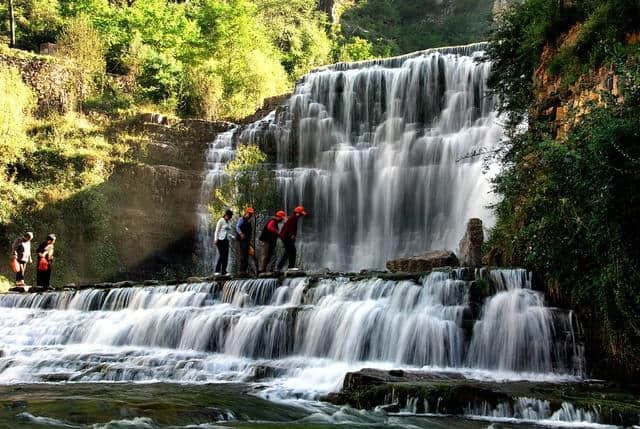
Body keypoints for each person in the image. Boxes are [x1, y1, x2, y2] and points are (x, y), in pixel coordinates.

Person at [277, 206, 309, 271]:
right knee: (292, 251)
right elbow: (290, 228)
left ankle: (279, 267)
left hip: (285, 237)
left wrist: (293, 235)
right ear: (297, 213)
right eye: (301, 214)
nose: (301, 216)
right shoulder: (293, 218)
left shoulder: (294, 218)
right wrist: (292, 235)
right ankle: (290, 267)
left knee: (287, 252)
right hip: (286, 237)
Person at [214, 209, 234, 275]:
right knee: (222, 255)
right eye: (229, 216)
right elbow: (217, 230)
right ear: (225, 215)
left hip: (226, 240)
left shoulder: (229, 222)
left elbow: (228, 232)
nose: (230, 218)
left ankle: (224, 271)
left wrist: (232, 236)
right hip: (220, 240)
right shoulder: (221, 220)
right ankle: (217, 271)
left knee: (226, 256)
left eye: (230, 217)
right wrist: (215, 239)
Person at [235, 207, 254, 275]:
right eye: (250, 213)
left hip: (247, 240)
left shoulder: (249, 221)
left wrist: (250, 240)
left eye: (251, 214)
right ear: (246, 213)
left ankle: (244, 271)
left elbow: (250, 231)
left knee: (246, 255)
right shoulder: (241, 219)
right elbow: (237, 226)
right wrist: (241, 234)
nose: (251, 215)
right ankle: (241, 271)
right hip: (242, 240)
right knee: (243, 255)